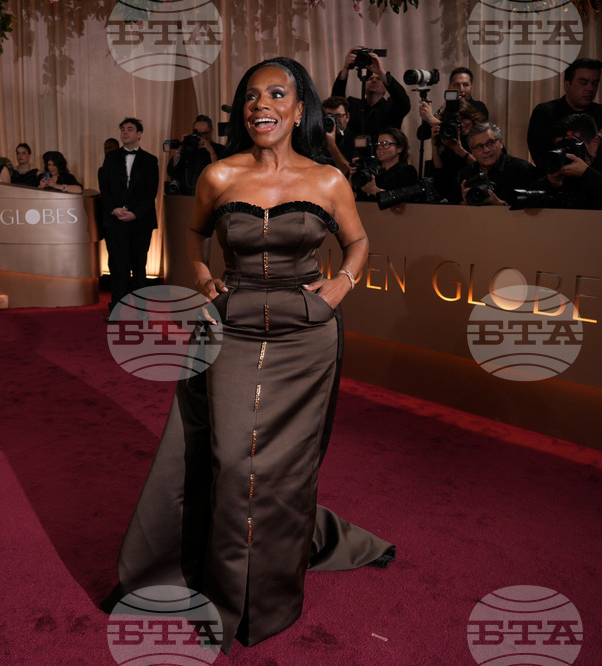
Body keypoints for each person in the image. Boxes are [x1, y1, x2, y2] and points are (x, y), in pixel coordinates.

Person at [109, 57, 394, 653]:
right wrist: (202, 276)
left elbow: (359, 239)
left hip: (307, 336)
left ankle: (264, 598)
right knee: (233, 460)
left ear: (298, 108)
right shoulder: (218, 175)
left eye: (276, 94)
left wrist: (341, 286)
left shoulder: (328, 180)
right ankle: (217, 583)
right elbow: (190, 232)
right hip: (229, 326)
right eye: (250, 97)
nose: (261, 104)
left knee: (283, 469)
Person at [527, 58, 602, 163]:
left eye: (595, 83)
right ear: (567, 85)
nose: (590, 89)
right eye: (584, 83)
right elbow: (540, 157)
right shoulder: (546, 112)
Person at [98, 117, 159, 313]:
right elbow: (104, 188)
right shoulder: (110, 158)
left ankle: (142, 311)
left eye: (130, 129)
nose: (125, 132)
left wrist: (135, 213)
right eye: (123, 129)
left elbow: (151, 191)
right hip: (116, 221)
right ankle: (116, 309)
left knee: (139, 266)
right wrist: (113, 209)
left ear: (139, 134)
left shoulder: (150, 160)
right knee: (118, 267)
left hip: (140, 221)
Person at [331, 45, 411, 140]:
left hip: (384, 151)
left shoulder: (391, 107)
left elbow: (403, 101)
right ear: (364, 84)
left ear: (386, 88)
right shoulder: (353, 105)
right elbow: (335, 102)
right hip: (354, 153)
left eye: (378, 79)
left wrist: (381, 73)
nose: (373, 81)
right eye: (370, 79)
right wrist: (346, 68)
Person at [419, 97, 487, 203]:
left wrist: (459, 150)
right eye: (457, 121)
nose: (461, 124)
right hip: (452, 195)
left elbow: (484, 168)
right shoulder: (450, 136)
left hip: (478, 192)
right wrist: (434, 143)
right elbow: (439, 171)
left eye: (464, 118)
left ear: (472, 117)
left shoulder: (483, 137)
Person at [457, 123, 540, 206]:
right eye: (479, 146)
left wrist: (499, 203)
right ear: (472, 151)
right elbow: (453, 205)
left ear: (500, 143)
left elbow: (531, 211)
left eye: (490, 143)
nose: (486, 150)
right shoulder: (465, 173)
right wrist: (465, 203)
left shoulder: (523, 170)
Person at [166, 114, 225, 195]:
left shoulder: (220, 149)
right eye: (197, 134)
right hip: (186, 197)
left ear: (211, 132)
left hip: (210, 195)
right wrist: (180, 147)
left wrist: (211, 150)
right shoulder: (188, 149)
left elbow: (221, 172)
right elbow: (171, 171)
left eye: (203, 133)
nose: (200, 137)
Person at [355, 128, 419, 200]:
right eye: (378, 144)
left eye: (386, 144)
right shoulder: (375, 173)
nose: (380, 148)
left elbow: (402, 201)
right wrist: (353, 175)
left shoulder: (407, 171)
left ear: (399, 148)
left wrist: (375, 190)